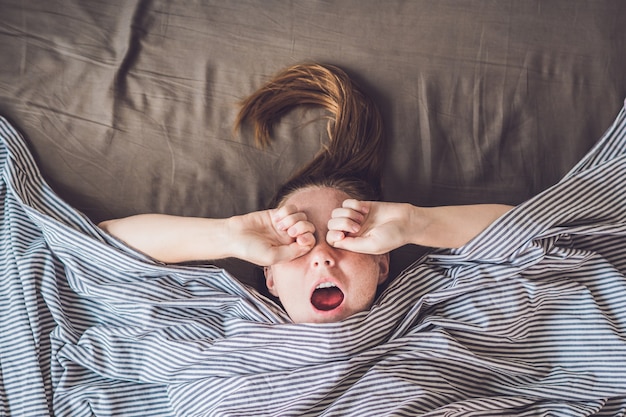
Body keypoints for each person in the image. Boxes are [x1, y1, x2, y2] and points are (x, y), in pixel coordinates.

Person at [99, 63, 512, 323]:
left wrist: (416, 222)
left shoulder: (428, 311)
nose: (322, 255)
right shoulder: (233, 321)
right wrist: (226, 236)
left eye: (345, 236)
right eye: (295, 242)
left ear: (382, 267)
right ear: (271, 278)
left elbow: (553, 232)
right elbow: (99, 246)